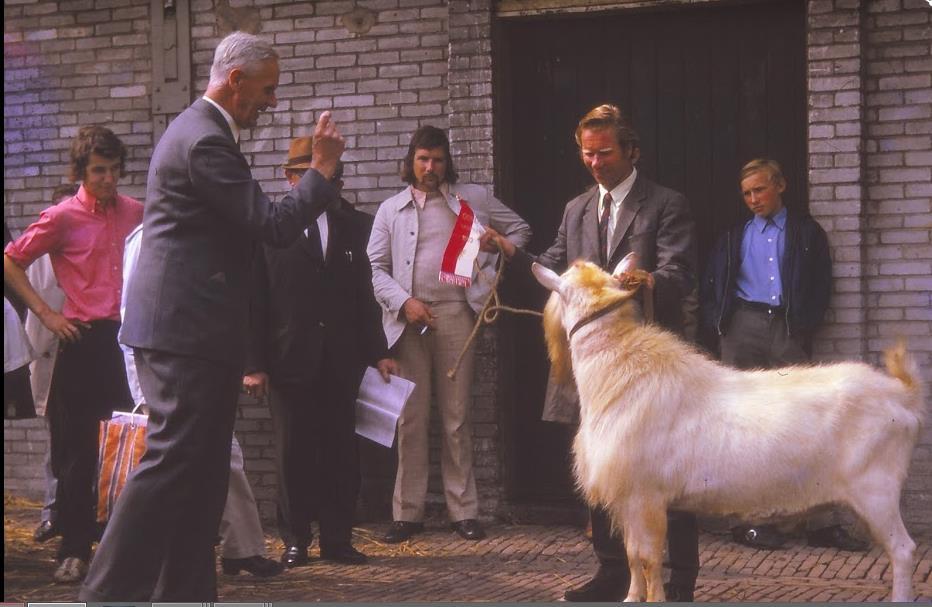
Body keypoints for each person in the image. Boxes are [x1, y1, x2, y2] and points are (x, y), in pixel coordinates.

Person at [79, 31, 344, 601]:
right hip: (185, 335)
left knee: (199, 478)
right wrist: (320, 172)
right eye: (267, 90)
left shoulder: (202, 135)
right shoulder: (203, 141)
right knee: (174, 465)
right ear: (236, 80)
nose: (271, 102)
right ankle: (106, 595)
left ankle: (187, 595)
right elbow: (271, 226)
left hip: (197, 333)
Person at [485, 104, 700, 601]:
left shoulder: (667, 204)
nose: (595, 162)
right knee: (604, 464)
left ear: (632, 151)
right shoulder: (576, 208)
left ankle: (681, 579)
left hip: (646, 364)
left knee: (668, 469)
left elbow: (681, 273)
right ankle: (611, 573)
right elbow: (555, 267)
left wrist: (649, 279)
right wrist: (510, 253)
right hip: (593, 366)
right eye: (587, 153)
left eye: (605, 152)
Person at [367, 125, 531, 543]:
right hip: (408, 319)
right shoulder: (391, 209)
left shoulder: (472, 199)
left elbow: (520, 231)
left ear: (447, 162)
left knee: (457, 417)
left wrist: (497, 246)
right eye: (423, 159)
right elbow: (375, 269)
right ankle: (408, 513)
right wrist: (404, 303)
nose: (430, 167)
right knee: (411, 418)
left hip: (458, 313)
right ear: (411, 161)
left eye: (437, 160)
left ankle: (464, 511)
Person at [700, 158, 867, 552]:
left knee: (810, 426)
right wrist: (722, 324)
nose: (753, 199)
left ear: (781, 186)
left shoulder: (806, 233)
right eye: (746, 193)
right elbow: (711, 284)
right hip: (742, 328)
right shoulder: (732, 235)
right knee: (743, 429)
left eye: (760, 189)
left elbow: (822, 284)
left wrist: (803, 325)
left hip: (787, 331)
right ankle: (750, 523)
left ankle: (820, 523)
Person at [244, 138, 394, 568]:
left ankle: (338, 538)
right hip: (289, 360)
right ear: (291, 179)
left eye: (332, 177)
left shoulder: (356, 226)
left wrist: (378, 351)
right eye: (314, 176)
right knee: (294, 454)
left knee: (342, 452)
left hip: (341, 360)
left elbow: (366, 298)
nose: (328, 184)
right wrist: (253, 364)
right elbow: (255, 301)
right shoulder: (269, 231)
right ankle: (295, 539)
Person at [4, 127, 143, 583]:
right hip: (82, 342)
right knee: (77, 452)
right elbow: (11, 259)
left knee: (129, 447)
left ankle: (123, 548)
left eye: (114, 169)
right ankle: (74, 548)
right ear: (81, 172)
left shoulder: (136, 214)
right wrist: (46, 314)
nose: (108, 179)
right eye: (98, 170)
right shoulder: (62, 216)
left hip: (127, 345)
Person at [118, 223, 283, 578]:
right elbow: (131, 317)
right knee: (171, 467)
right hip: (163, 375)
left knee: (227, 455)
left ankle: (242, 548)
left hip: (200, 371)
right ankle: (140, 562)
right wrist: (142, 389)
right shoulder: (149, 238)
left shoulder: (203, 234)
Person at [23, 183, 78, 545]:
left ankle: (81, 516)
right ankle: (53, 514)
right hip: (50, 353)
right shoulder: (39, 257)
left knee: (84, 443)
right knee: (57, 443)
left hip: (84, 350)